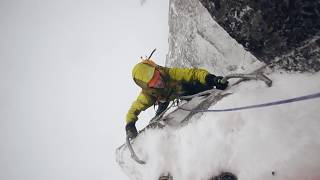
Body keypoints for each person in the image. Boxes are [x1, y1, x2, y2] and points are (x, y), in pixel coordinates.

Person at [125, 59, 229, 139]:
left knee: (200, 86)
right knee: (158, 118)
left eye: (157, 76)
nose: (159, 81)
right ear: (149, 86)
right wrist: (130, 124)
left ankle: (210, 88)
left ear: (157, 70)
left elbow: (192, 73)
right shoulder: (148, 94)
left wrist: (211, 79)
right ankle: (155, 123)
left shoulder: (169, 73)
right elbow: (134, 110)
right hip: (163, 100)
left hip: (182, 90)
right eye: (154, 82)